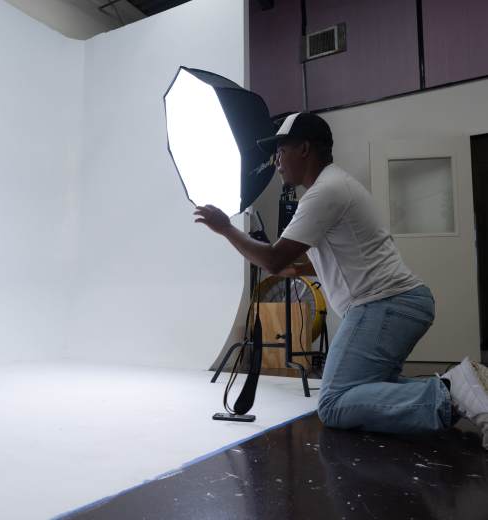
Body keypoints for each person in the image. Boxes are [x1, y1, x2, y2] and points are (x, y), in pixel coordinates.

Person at [194, 112, 488, 448]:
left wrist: (226, 228)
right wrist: (266, 252)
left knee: (334, 403)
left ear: (304, 149)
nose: (276, 160)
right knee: (369, 392)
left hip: (384, 305)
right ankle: (461, 388)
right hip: (398, 303)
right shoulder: (334, 186)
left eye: (281, 149)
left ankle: (451, 393)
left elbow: (275, 261)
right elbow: (295, 265)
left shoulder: (325, 192)